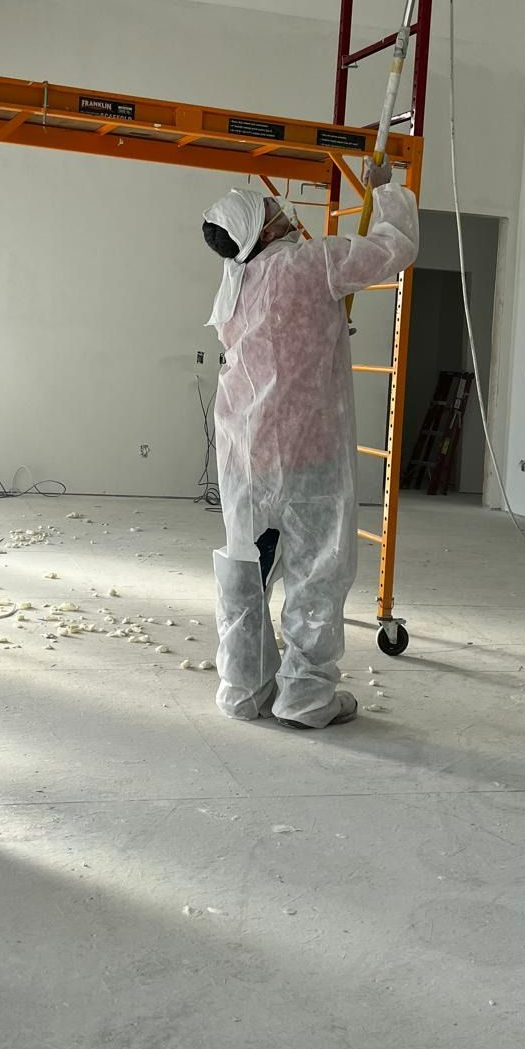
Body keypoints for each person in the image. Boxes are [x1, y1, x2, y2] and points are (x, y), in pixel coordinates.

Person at [201, 158, 420, 729]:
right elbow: (393, 247)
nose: (285, 214)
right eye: (275, 211)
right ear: (263, 229)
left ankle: (243, 689)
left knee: (247, 571)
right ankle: (304, 696)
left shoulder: (236, 286)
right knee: (315, 571)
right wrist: (386, 189)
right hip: (307, 454)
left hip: (245, 455)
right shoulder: (310, 263)